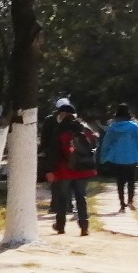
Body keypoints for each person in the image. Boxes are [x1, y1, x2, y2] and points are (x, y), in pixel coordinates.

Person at [43, 97, 97, 235]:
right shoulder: (83, 128)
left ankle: (60, 226)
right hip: (83, 169)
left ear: (62, 114)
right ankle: (84, 226)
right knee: (81, 197)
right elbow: (92, 146)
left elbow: (53, 152)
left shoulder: (59, 130)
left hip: (64, 170)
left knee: (62, 198)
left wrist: (49, 170)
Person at [97, 103, 138, 213]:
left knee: (120, 181)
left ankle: (122, 204)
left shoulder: (113, 128)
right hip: (131, 156)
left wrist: (103, 157)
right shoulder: (134, 127)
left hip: (117, 157)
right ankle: (130, 200)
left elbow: (106, 143)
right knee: (131, 180)